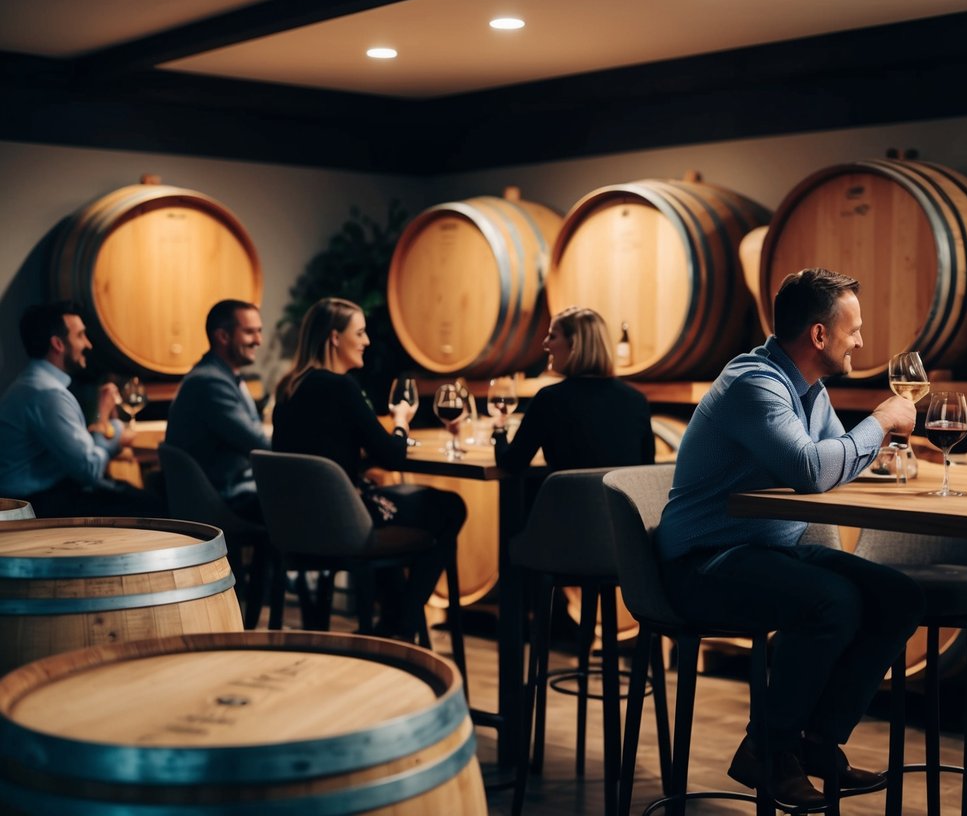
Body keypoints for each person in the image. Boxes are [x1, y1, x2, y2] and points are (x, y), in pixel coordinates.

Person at [655, 268, 925, 807]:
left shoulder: (808, 388)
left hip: (764, 550)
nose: (861, 342)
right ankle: (769, 750)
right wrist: (880, 420)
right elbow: (812, 469)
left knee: (900, 597)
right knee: (831, 601)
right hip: (703, 563)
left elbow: (835, 461)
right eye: (854, 330)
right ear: (819, 335)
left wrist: (881, 450)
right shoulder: (754, 384)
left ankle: (817, 743)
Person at [271, 297, 466, 639]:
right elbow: (393, 457)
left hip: (298, 527)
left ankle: (392, 620)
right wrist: (401, 421)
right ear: (335, 338)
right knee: (450, 507)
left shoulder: (289, 387)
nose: (367, 341)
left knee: (387, 502)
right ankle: (403, 624)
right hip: (342, 524)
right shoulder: (341, 388)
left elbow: (322, 458)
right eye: (359, 333)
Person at [0, 301, 162, 517]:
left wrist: (103, 423)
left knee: (136, 496)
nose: (88, 344)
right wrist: (112, 427)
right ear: (58, 344)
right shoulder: (48, 394)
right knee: (151, 506)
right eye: (80, 336)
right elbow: (90, 469)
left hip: (37, 497)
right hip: (36, 505)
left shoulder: (33, 384)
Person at [493, 306, 654, 472]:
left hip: (566, 491)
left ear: (574, 344)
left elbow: (511, 464)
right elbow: (647, 469)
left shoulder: (550, 399)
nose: (545, 343)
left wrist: (499, 430)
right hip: (620, 491)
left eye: (552, 336)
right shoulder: (637, 400)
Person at [166, 299, 270, 520]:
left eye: (259, 331)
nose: (258, 340)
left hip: (231, 488)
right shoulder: (210, 382)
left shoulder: (219, 375)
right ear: (223, 336)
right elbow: (258, 444)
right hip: (227, 497)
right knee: (311, 499)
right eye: (249, 332)